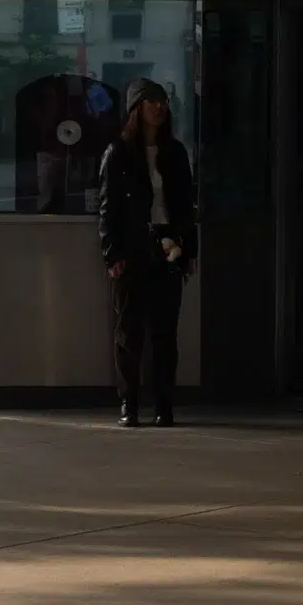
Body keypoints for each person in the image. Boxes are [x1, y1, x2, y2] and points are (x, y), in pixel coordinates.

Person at [95, 77, 197, 427]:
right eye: (151, 102)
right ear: (136, 109)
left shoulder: (175, 152)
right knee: (129, 332)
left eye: (163, 102)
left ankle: (164, 404)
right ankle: (129, 404)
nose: (159, 108)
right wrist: (112, 254)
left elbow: (185, 205)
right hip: (133, 250)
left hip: (169, 248)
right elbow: (107, 209)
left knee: (165, 333)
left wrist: (188, 249)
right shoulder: (119, 153)